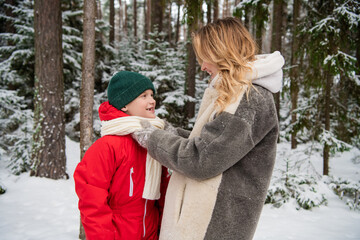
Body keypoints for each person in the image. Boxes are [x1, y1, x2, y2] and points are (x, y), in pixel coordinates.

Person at [132, 17, 285, 240]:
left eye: (205, 58)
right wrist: (168, 131)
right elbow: (209, 143)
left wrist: (154, 139)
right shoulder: (237, 91)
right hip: (206, 222)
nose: (202, 66)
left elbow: (201, 158)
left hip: (214, 226)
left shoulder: (250, 98)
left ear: (222, 53)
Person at [73, 71, 170, 240]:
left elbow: (163, 193)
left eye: (152, 95)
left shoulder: (155, 142)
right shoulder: (107, 146)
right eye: (143, 95)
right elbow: (92, 202)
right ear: (124, 105)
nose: (152, 100)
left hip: (153, 232)